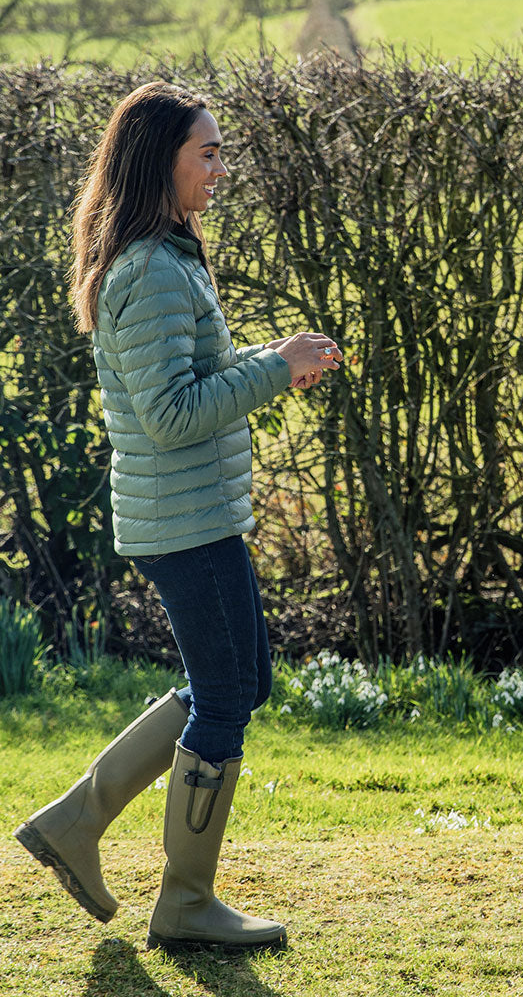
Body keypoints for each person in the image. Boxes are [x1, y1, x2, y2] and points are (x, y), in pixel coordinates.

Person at [14, 81, 341, 953]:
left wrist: (274, 361)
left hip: (196, 514)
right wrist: (274, 370)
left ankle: (76, 825)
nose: (221, 170)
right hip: (184, 523)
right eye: (209, 153)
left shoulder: (166, 255)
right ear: (162, 160)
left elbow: (192, 377)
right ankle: (186, 902)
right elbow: (172, 414)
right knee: (229, 696)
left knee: (242, 686)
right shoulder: (151, 269)